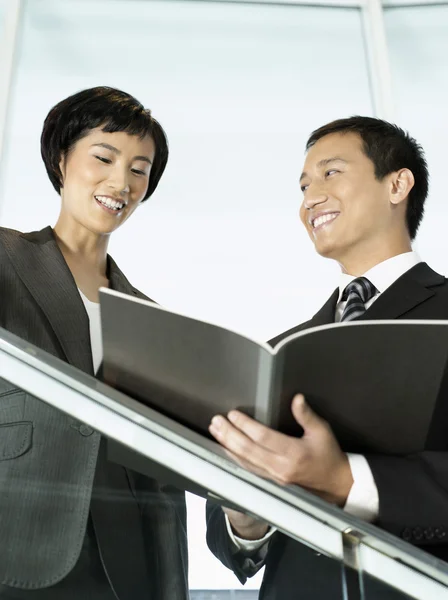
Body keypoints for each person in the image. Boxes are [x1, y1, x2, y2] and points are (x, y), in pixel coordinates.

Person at [206, 116, 448, 598]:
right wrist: (245, 516)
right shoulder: (283, 347)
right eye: (303, 186)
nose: (309, 198)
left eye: (330, 173)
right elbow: (232, 542)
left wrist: (346, 479)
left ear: (398, 183)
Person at [0, 87, 188, 599]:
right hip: (15, 543)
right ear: (62, 160)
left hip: (123, 568)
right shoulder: (5, 256)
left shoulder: (148, 316)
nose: (120, 182)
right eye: (104, 157)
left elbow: (162, 475)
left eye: (139, 169)